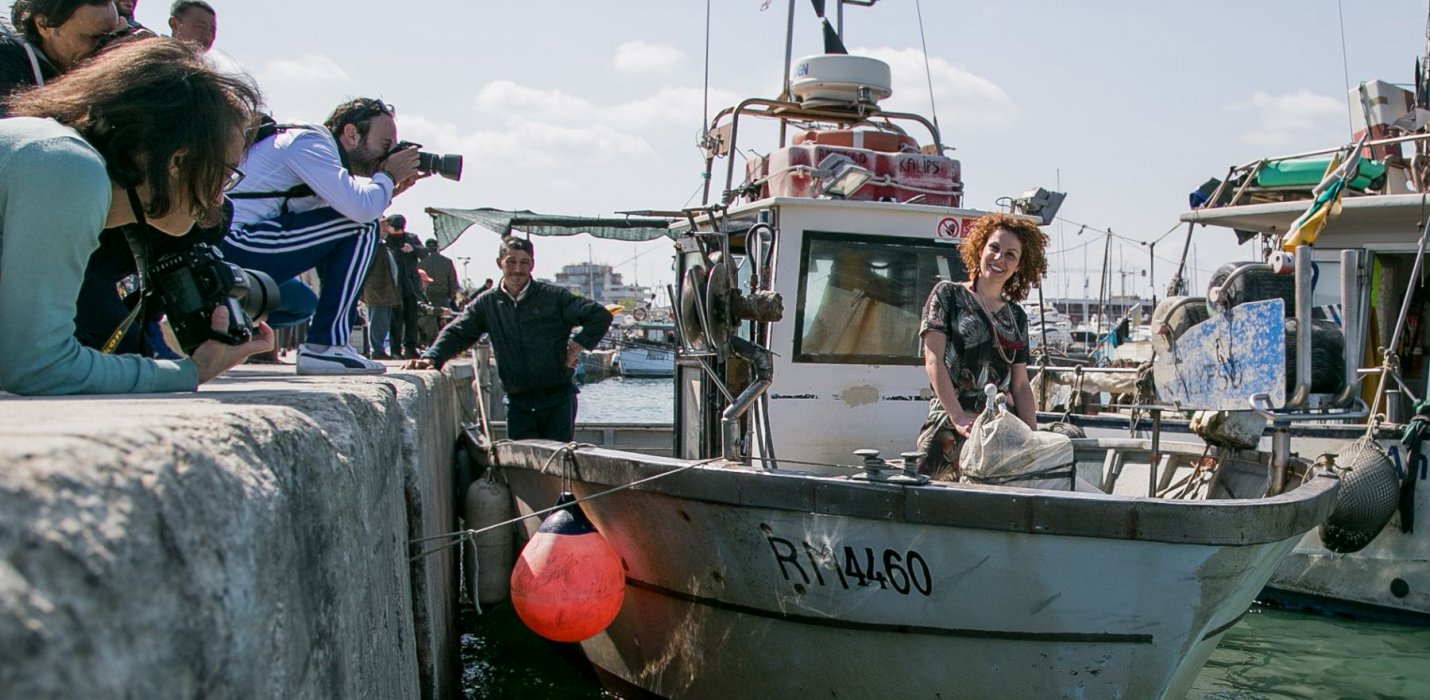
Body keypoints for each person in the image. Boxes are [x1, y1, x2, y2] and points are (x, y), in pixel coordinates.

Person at [0, 38, 270, 396]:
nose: (219, 199)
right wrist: (191, 371)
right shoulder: (69, 168)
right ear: (177, 161)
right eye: (224, 173)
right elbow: (37, 367)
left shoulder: (53, 154)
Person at [219, 98, 421, 375]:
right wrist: (387, 175)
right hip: (233, 243)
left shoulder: (323, 158)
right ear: (351, 133)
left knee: (301, 304)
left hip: (240, 249)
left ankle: (213, 329)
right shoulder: (309, 142)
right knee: (362, 227)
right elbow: (360, 213)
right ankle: (326, 346)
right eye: (386, 144)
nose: (390, 154)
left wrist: (390, 188)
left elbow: (335, 225)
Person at [405, 237, 613, 441]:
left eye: (524, 263)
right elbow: (458, 332)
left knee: (558, 460)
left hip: (557, 399)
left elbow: (599, 316)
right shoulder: (487, 303)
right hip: (518, 403)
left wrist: (575, 348)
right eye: (511, 262)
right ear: (500, 263)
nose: (518, 270)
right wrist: (432, 357)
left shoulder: (554, 297)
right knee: (521, 460)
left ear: (532, 265)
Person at [914, 212, 1047, 480]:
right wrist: (958, 416)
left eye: (1010, 255)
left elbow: (1021, 385)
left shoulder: (1017, 316)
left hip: (998, 432)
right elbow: (934, 361)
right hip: (950, 426)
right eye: (994, 248)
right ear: (980, 248)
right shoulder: (948, 295)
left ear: (1019, 265)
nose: (999, 258)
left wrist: (1033, 438)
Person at [0, 0, 121, 104]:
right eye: (93, 37)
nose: (107, 46)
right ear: (43, 26)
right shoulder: (6, 66)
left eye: (111, 35)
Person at [382, 214, 426, 359]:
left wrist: (413, 249)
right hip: (393, 285)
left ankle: (410, 348)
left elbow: (425, 253)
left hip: (410, 285)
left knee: (411, 318)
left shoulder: (412, 238)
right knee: (395, 320)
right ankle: (395, 349)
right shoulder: (385, 241)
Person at [417, 237, 460, 310]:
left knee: (430, 316)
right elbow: (453, 281)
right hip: (443, 297)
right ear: (437, 247)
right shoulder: (447, 262)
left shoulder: (420, 263)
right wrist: (451, 296)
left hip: (427, 296)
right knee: (445, 316)